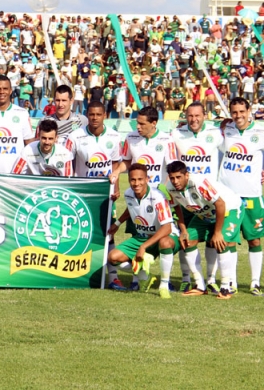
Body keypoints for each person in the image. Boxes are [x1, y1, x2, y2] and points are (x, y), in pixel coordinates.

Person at [217, 97, 264, 296]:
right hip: (229, 196)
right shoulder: (225, 130)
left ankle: (255, 282)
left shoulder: (261, 132)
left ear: (249, 111)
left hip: (252, 195)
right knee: (229, 240)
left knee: (254, 240)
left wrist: (261, 171)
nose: (238, 115)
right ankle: (231, 282)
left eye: (242, 111)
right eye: (234, 112)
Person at [166, 160, 244, 300]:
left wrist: (217, 232)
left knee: (221, 242)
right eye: (172, 178)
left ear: (186, 175)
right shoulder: (170, 188)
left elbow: (220, 204)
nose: (175, 181)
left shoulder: (199, 183)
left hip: (229, 209)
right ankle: (200, 285)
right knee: (188, 241)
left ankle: (225, 287)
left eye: (178, 177)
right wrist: (183, 231)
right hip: (205, 214)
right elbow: (176, 207)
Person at [65, 101, 123, 289]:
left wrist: (116, 188)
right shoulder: (75, 136)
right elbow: (67, 163)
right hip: (83, 192)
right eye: (91, 114)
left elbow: (115, 164)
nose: (95, 118)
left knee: (108, 233)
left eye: (98, 114)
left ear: (105, 115)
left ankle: (113, 277)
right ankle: (76, 272)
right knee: (79, 232)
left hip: (105, 193)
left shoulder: (114, 136)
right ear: (87, 115)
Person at [171, 101, 224, 292]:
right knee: (185, 238)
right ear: (185, 116)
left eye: (197, 115)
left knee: (212, 239)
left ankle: (210, 279)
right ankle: (187, 277)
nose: (193, 119)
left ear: (205, 116)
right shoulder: (176, 134)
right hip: (186, 197)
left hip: (207, 197)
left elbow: (234, 152)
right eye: (190, 116)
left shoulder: (216, 134)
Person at [107, 164, 181, 299]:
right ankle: (145, 277)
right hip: (142, 237)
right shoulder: (128, 194)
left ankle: (164, 286)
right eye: (133, 180)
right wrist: (117, 223)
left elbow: (167, 227)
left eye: (140, 179)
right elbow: (131, 208)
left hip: (165, 235)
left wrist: (143, 247)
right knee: (113, 258)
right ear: (128, 180)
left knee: (165, 243)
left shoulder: (158, 197)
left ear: (147, 179)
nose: (136, 183)